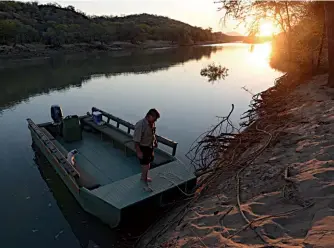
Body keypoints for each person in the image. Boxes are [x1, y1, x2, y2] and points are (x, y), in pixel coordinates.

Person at [133, 108, 160, 183]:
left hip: (150, 146)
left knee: (148, 163)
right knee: (145, 164)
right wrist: (139, 152)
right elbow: (136, 140)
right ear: (149, 116)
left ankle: (144, 177)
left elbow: (153, 133)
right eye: (155, 119)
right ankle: (143, 179)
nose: (155, 121)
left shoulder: (152, 123)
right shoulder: (140, 125)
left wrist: (155, 141)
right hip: (143, 147)